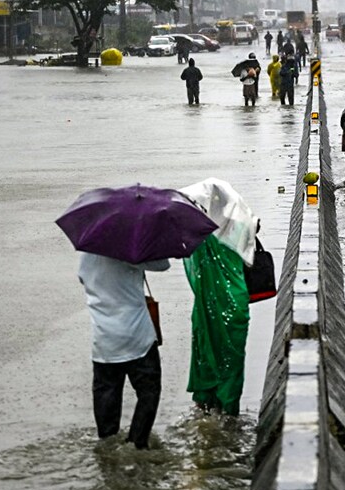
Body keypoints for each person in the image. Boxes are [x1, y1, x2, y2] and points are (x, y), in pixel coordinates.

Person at [180, 178, 258, 416]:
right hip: (235, 305)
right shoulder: (242, 226)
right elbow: (250, 258)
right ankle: (229, 413)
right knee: (231, 361)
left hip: (206, 307)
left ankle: (204, 407)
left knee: (206, 353)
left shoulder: (199, 237)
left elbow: (187, 264)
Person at [77, 253, 171, 449]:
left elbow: (82, 278)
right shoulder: (133, 252)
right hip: (138, 339)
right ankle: (137, 442)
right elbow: (163, 264)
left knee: (106, 396)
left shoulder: (87, 256)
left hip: (104, 342)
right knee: (148, 391)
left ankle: (107, 446)